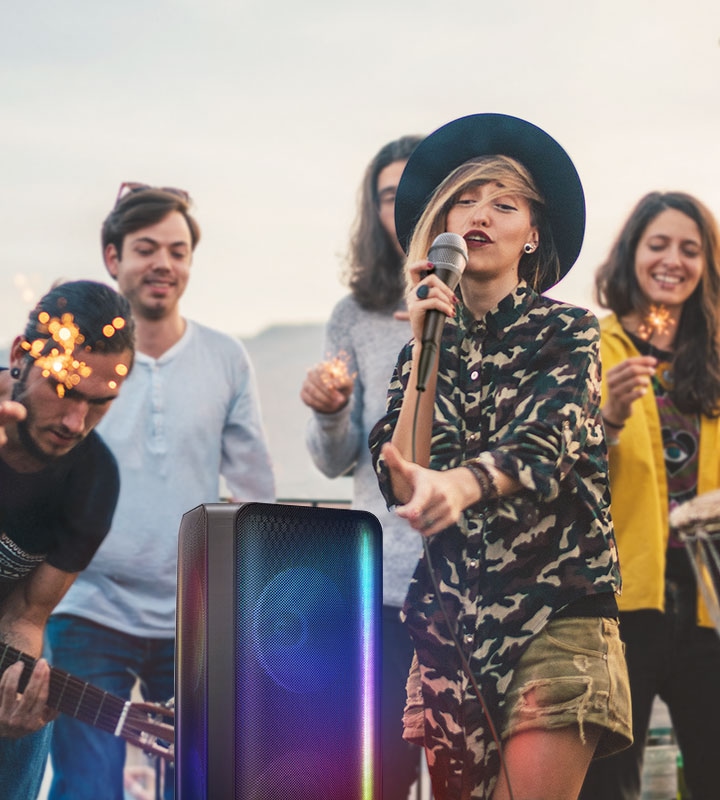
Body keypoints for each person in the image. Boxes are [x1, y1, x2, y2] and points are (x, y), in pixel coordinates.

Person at [368, 114, 633, 800]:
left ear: (532, 234)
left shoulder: (568, 330)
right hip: (452, 630)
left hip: (556, 611)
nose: (480, 214)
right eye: (465, 200)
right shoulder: (420, 346)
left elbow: (553, 441)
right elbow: (404, 470)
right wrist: (430, 344)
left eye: (504, 204)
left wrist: (464, 484)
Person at [46, 184, 276, 800]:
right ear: (112, 257)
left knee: (207, 787)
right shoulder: (74, 362)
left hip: (195, 619)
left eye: (178, 251)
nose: (163, 264)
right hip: (84, 608)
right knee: (86, 789)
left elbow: (256, 491)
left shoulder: (225, 357)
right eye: (146, 248)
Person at [578, 192, 720, 800]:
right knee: (609, 784)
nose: (673, 260)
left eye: (690, 249)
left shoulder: (714, 357)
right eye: (658, 244)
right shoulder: (590, 348)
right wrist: (605, 415)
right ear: (631, 252)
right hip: (620, 607)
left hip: (708, 608)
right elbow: (557, 473)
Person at [300, 134, 423, 800]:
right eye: (386, 196)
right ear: (371, 212)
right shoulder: (354, 315)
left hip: (477, 587)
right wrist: (328, 410)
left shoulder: (492, 305)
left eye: (416, 188)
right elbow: (332, 461)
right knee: (381, 777)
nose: (401, 207)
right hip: (383, 586)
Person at [0, 280, 135, 800]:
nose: (77, 422)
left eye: (100, 403)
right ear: (20, 357)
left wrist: (14, 710)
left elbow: (26, 616)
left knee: (30, 698)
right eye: (63, 388)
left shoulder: (95, 481)